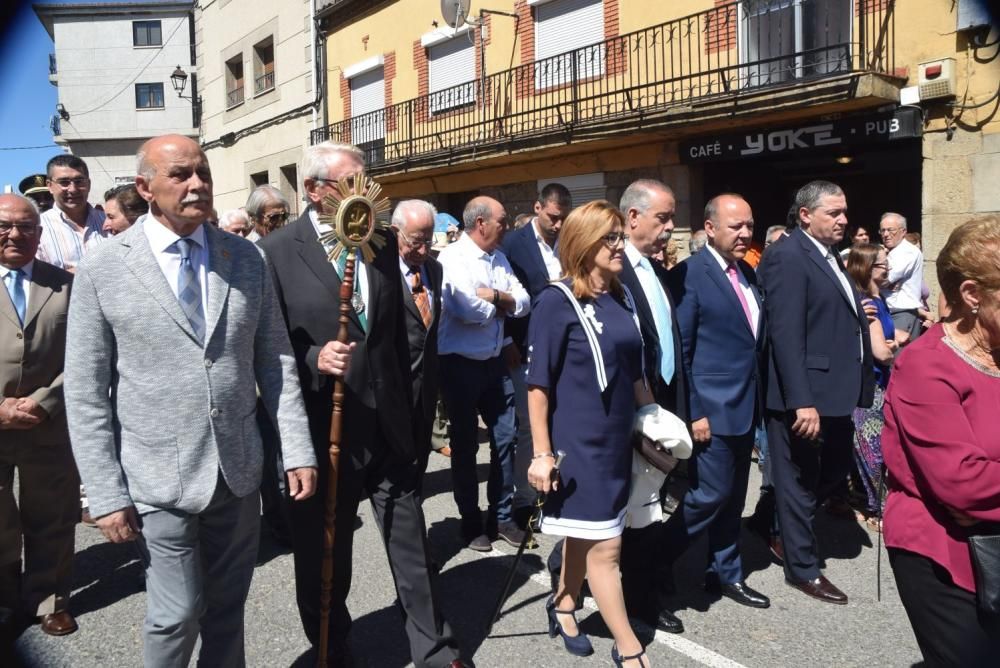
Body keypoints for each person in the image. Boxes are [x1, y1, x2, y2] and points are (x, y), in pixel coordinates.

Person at [64, 134, 318, 666]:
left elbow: (274, 360)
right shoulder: (104, 267)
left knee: (228, 608)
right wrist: (104, 492)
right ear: (145, 187)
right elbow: (86, 392)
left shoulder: (244, 257)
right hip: (156, 472)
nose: (197, 183)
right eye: (180, 174)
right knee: (175, 612)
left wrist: (296, 448)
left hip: (238, 468)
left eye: (201, 172)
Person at [258, 141, 467, 668]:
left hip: (389, 425)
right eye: (352, 182)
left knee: (412, 545)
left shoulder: (378, 241)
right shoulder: (278, 252)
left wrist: (417, 417)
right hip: (322, 428)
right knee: (327, 554)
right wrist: (311, 356)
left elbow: (397, 336)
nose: (365, 193)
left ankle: (436, 648)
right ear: (314, 189)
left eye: (366, 181)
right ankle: (332, 644)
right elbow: (267, 343)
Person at [527, 200, 661, 668]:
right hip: (577, 443)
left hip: (616, 437)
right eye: (611, 238)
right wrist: (541, 453)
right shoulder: (555, 301)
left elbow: (634, 367)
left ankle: (564, 602)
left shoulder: (619, 294)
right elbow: (538, 386)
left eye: (621, 235)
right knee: (607, 546)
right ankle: (628, 648)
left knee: (589, 533)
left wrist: (656, 417)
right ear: (584, 244)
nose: (621, 245)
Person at [882, 215, 1000, 665]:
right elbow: (964, 486)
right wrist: (977, 489)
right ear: (972, 295)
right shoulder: (926, 366)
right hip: (947, 554)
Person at [757, 180, 873, 605]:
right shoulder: (789, 256)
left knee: (834, 469)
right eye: (834, 213)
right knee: (800, 482)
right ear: (806, 214)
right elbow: (786, 335)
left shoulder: (829, 256)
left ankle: (769, 522)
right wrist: (800, 400)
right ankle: (802, 567)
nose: (844, 220)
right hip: (805, 396)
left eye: (845, 212)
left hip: (835, 392)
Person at [662, 194, 769, 611]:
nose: (745, 233)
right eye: (735, 226)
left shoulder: (746, 272)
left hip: (746, 407)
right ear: (709, 228)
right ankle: (654, 560)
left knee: (733, 497)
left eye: (749, 225)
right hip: (711, 410)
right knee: (710, 494)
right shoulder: (691, 274)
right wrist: (695, 412)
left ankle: (726, 573)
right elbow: (682, 350)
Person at [0, 194, 78, 637]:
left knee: (51, 516)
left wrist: (46, 400)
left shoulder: (65, 285)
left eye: (26, 226)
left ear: (39, 232)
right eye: (5, 225)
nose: (16, 234)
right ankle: (6, 597)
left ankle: (50, 598)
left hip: (48, 423)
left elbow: (86, 355)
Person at [438, 195, 530, 551]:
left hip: (494, 363)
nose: (505, 226)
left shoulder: (500, 259)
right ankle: (470, 520)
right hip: (459, 364)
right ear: (481, 223)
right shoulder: (453, 258)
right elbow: (464, 308)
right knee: (464, 445)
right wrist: (502, 304)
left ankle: (502, 515)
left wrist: (492, 296)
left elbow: (523, 303)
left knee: (505, 438)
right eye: (501, 220)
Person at [616, 179, 688, 634]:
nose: (670, 227)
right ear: (633, 217)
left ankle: (640, 586)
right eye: (663, 217)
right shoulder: (614, 270)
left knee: (650, 505)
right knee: (635, 509)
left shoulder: (656, 270)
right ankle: (637, 604)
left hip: (660, 401)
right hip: (627, 408)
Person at [501, 182, 571, 523]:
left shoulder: (567, 243)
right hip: (523, 347)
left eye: (563, 218)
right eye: (553, 217)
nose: (558, 225)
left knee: (561, 420)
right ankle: (525, 500)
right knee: (529, 426)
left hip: (564, 346)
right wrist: (506, 341)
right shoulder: (513, 245)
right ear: (538, 207)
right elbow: (501, 292)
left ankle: (555, 490)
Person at [844, 244, 900, 530]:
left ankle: (867, 503)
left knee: (871, 449)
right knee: (874, 451)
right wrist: (898, 347)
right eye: (882, 263)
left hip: (880, 385)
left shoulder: (880, 299)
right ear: (868, 268)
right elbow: (882, 353)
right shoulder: (867, 302)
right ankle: (879, 508)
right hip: (868, 388)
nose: (888, 266)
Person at [392, 199, 444, 484]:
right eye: (415, 241)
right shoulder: (381, 273)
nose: (423, 250)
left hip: (426, 391)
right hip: (394, 390)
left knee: (418, 468)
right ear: (395, 232)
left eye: (428, 240)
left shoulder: (435, 270)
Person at [38, 154, 106, 271]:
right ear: (49, 186)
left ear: (89, 184)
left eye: (79, 181)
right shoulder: (38, 227)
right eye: (64, 182)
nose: (73, 189)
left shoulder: (108, 222)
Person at [879, 212, 925, 340]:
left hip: (901, 313)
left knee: (896, 358)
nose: (886, 234)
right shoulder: (887, 251)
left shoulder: (907, 252)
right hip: (888, 312)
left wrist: (878, 281)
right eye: (882, 231)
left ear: (903, 231)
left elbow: (883, 280)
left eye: (890, 230)